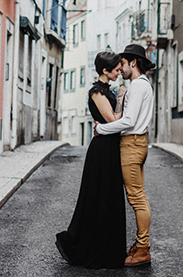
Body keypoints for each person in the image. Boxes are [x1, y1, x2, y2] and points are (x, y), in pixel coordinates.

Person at [55, 51, 128, 269]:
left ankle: (109, 249)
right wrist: (123, 98)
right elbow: (113, 119)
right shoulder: (97, 92)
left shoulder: (106, 90)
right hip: (103, 150)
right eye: (116, 69)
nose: (119, 72)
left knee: (109, 199)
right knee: (100, 199)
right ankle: (97, 251)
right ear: (104, 71)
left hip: (109, 146)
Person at [94, 44, 155, 267]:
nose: (121, 69)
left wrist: (101, 129)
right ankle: (141, 245)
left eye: (124, 64)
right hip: (137, 143)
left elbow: (128, 122)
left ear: (134, 63)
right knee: (138, 196)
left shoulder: (138, 86)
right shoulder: (140, 85)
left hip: (132, 144)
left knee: (137, 198)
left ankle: (143, 249)